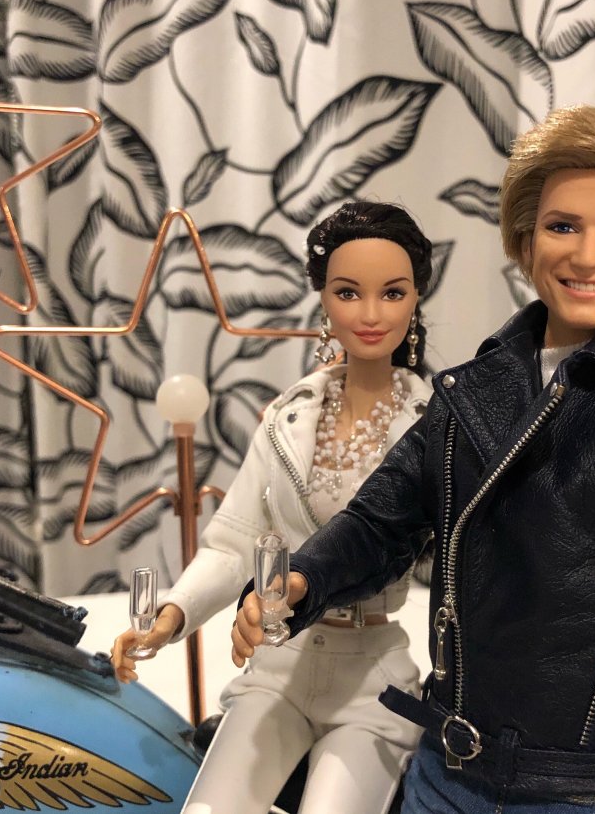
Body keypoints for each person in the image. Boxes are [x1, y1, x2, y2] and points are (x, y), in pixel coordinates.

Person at [232, 106, 595, 812]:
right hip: (441, 773)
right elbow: (382, 521)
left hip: (576, 793)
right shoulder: (473, 391)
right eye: (562, 225)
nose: (588, 255)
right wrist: (303, 581)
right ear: (524, 239)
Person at [111, 200, 435, 814]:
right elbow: (235, 541)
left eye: (392, 293)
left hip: (371, 674)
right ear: (324, 300)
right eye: (348, 292)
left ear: (416, 298)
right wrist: (173, 615)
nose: (370, 314)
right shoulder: (290, 416)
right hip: (278, 666)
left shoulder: (437, 424)